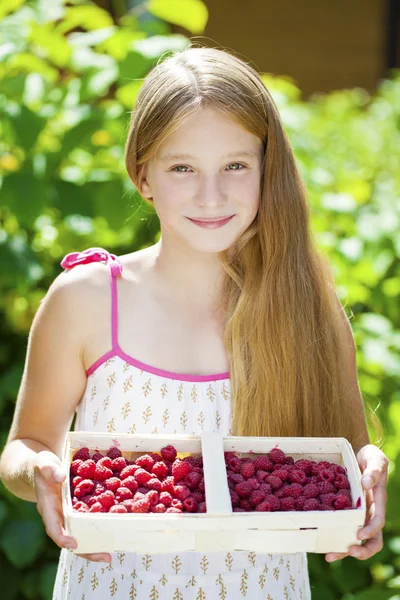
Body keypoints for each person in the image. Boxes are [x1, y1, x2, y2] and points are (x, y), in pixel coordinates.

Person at [0, 46, 388, 600]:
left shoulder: (309, 310)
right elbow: (27, 444)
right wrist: (41, 473)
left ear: (266, 170)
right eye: (182, 167)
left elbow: (347, 453)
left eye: (235, 165)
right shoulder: (85, 301)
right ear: (143, 177)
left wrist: (370, 471)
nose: (211, 195)